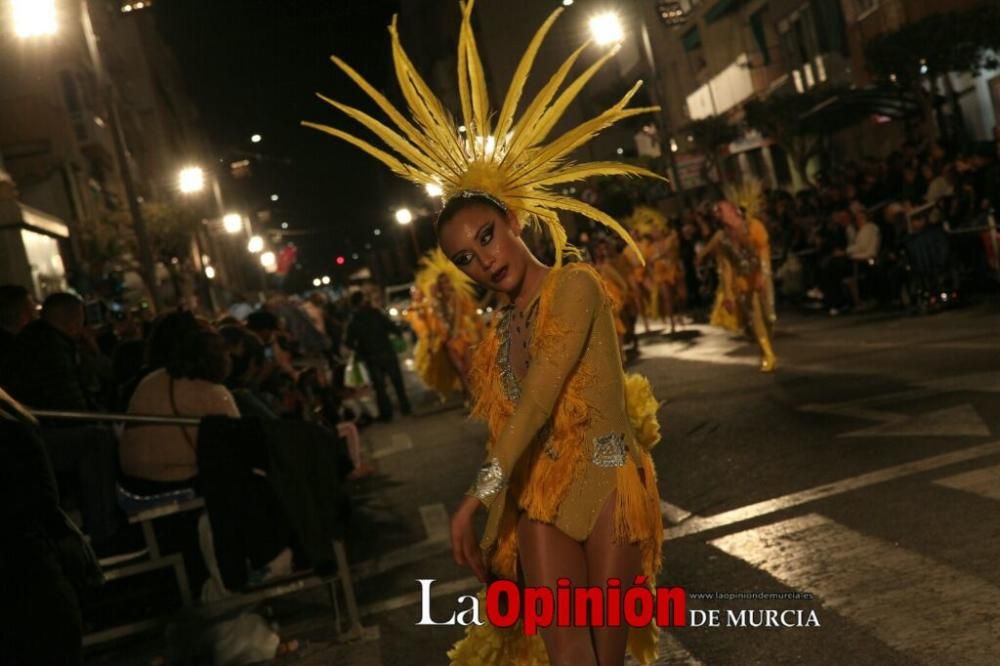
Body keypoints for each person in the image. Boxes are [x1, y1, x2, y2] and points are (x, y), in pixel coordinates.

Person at [304, 2, 665, 662]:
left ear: (512, 219)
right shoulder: (501, 334)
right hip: (542, 500)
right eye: (466, 256)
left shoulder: (576, 285)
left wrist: (474, 499)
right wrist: (499, 520)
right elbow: (512, 434)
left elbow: (540, 400)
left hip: (612, 480)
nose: (485, 258)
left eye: (487, 235)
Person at [698, 198, 777, 371]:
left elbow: (763, 250)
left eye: (722, 208)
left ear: (734, 210)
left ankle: (768, 343)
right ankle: (767, 353)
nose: (718, 212)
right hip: (743, 279)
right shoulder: (723, 238)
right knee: (755, 316)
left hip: (761, 274)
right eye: (717, 211)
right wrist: (728, 294)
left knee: (769, 316)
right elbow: (726, 268)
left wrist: (763, 274)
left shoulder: (753, 226)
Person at [344, 291, 411, 421]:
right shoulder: (376, 313)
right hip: (386, 351)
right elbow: (391, 327)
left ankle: (387, 414)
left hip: (371, 357)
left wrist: (360, 350)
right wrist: (397, 334)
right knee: (397, 383)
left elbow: (349, 342)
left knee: (380, 388)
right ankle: (405, 407)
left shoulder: (355, 320)